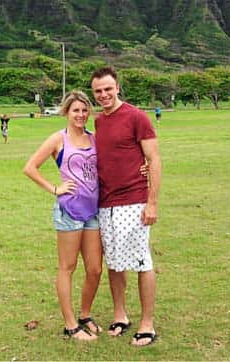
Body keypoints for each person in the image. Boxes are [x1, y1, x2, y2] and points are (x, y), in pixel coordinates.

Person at [90, 66, 162, 348]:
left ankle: (147, 323)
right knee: (115, 263)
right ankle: (120, 315)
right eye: (98, 91)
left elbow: (154, 159)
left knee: (142, 261)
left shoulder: (137, 117)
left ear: (118, 87)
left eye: (108, 89)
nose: (104, 95)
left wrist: (152, 203)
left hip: (134, 201)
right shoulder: (99, 122)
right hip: (105, 203)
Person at [23, 91, 103, 342]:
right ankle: (70, 325)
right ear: (66, 112)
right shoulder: (58, 139)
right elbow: (30, 167)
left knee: (95, 268)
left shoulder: (94, 139)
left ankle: (85, 315)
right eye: (75, 110)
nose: (80, 115)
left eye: (84, 110)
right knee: (67, 267)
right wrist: (55, 189)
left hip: (93, 211)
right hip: (69, 210)